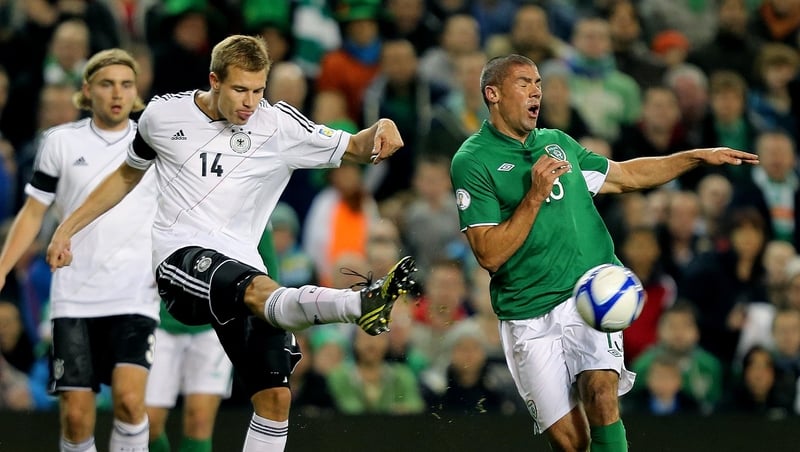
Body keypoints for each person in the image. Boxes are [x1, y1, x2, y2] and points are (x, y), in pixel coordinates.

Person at [46, 34, 418, 452]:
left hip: (244, 269)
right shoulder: (163, 116)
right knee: (258, 293)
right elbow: (128, 174)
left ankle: (361, 305)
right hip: (180, 259)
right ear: (214, 80)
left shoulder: (278, 126)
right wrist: (68, 228)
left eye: (259, 90)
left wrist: (382, 127)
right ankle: (358, 305)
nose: (250, 102)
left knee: (275, 398)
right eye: (240, 89)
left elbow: (355, 146)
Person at [449, 53, 759, 451]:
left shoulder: (558, 143)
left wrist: (695, 157)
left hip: (587, 294)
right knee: (572, 443)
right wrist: (535, 195)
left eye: (539, 83)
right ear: (492, 93)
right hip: (525, 312)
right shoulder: (472, 160)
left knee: (600, 392)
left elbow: (625, 176)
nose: (536, 91)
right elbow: (488, 255)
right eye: (524, 83)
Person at [0, 48, 158, 452]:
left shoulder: (155, 145)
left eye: (126, 84)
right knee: (75, 415)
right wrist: (2, 267)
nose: (117, 93)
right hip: (74, 296)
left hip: (135, 292)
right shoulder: (60, 142)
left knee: (128, 399)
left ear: (136, 91)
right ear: (87, 90)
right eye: (106, 84)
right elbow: (34, 212)